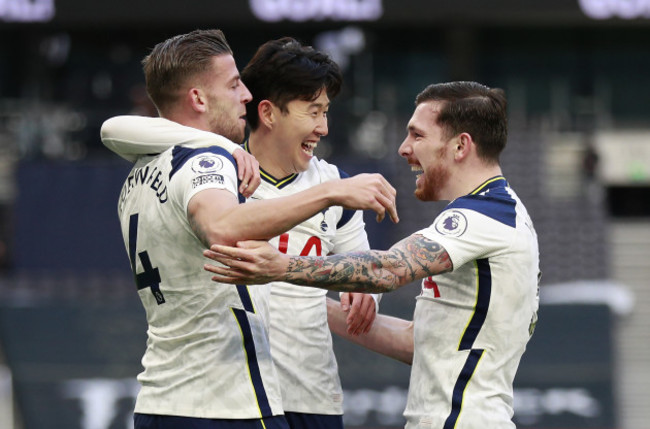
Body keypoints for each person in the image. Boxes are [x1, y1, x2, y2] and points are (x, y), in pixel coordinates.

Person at [203, 81, 541, 429]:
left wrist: (281, 267)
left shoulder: (483, 214)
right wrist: (300, 299)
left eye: (417, 135)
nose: (403, 149)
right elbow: (417, 343)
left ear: (460, 145)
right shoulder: (503, 214)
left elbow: (390, 269)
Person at [105, 29, 398, 429]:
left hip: (280, 391)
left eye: (326, 111)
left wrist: (363, 293)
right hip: (230, 395)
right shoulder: (216, 172)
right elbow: (223, 227)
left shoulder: (149, 170)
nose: (324, 126)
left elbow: (115, 129)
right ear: (269, 112)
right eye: (312, 111)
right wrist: (326, 193)